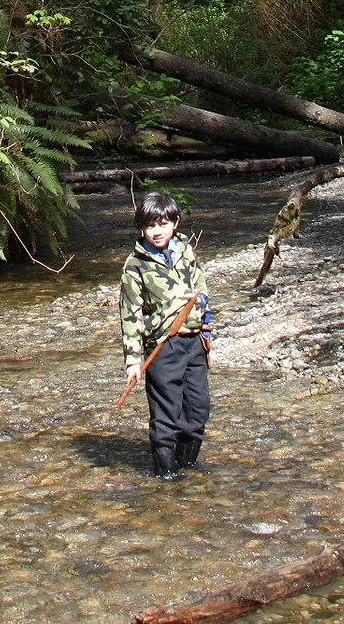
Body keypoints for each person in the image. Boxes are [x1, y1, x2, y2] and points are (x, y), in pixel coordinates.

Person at [119, 189, 213, 480]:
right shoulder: (135, 266)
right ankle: (166, 476)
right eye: (149, 226)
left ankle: (188, 467)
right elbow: (130, 315)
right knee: (166, 414)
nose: (156, 231)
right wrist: (133, 361)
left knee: (197, 410)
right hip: (163, 347)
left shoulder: (186, 250)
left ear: (175, 223)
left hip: (194, 342)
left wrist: (206, 327)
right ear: (141, 228)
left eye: (162, 224)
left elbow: (201, 289)